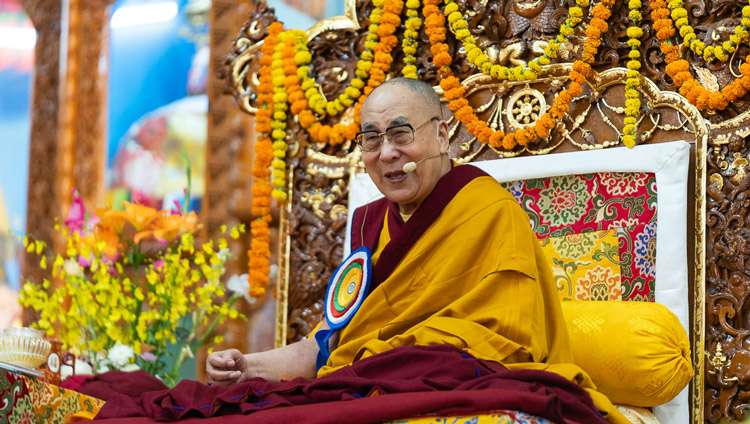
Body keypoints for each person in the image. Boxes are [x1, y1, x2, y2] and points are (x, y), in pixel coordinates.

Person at [206, 77, 627, 423]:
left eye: (400, 134)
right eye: (372, 140)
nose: (387, 152)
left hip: (435, 379)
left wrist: (384, 357)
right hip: (366, 382)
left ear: (442, 135)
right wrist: (248, 366)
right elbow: (328, 346)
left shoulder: (490, 211)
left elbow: (509, 339)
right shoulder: (370, 226)